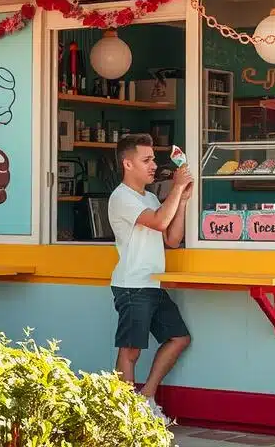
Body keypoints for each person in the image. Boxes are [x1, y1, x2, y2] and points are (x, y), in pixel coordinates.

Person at [108, 133, 193, 420]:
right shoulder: (121, 197)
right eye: (146, 160)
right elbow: (158, 222)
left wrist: (180, 200)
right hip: (132, 285)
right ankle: (125, 414)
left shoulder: (151, 196)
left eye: (154, 159)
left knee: (178, 338)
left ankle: (145, 397)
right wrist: (177, 188)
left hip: (152, 283)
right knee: (130, 351)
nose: (153, 165)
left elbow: (172, 238)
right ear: (127, 163)